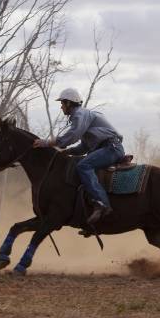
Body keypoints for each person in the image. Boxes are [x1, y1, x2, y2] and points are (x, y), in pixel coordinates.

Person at [33, 88, 125, 225]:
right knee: (83, 165)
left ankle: (102, 203)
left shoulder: (80, 115)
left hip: (110, 148)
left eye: (62, 103)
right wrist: (69, 151)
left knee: (84, 165)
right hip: (108, 148)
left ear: (69, 103)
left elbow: (72, 135)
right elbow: (84, 147)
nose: (61, 107)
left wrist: (46, 143)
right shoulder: (84, 116)